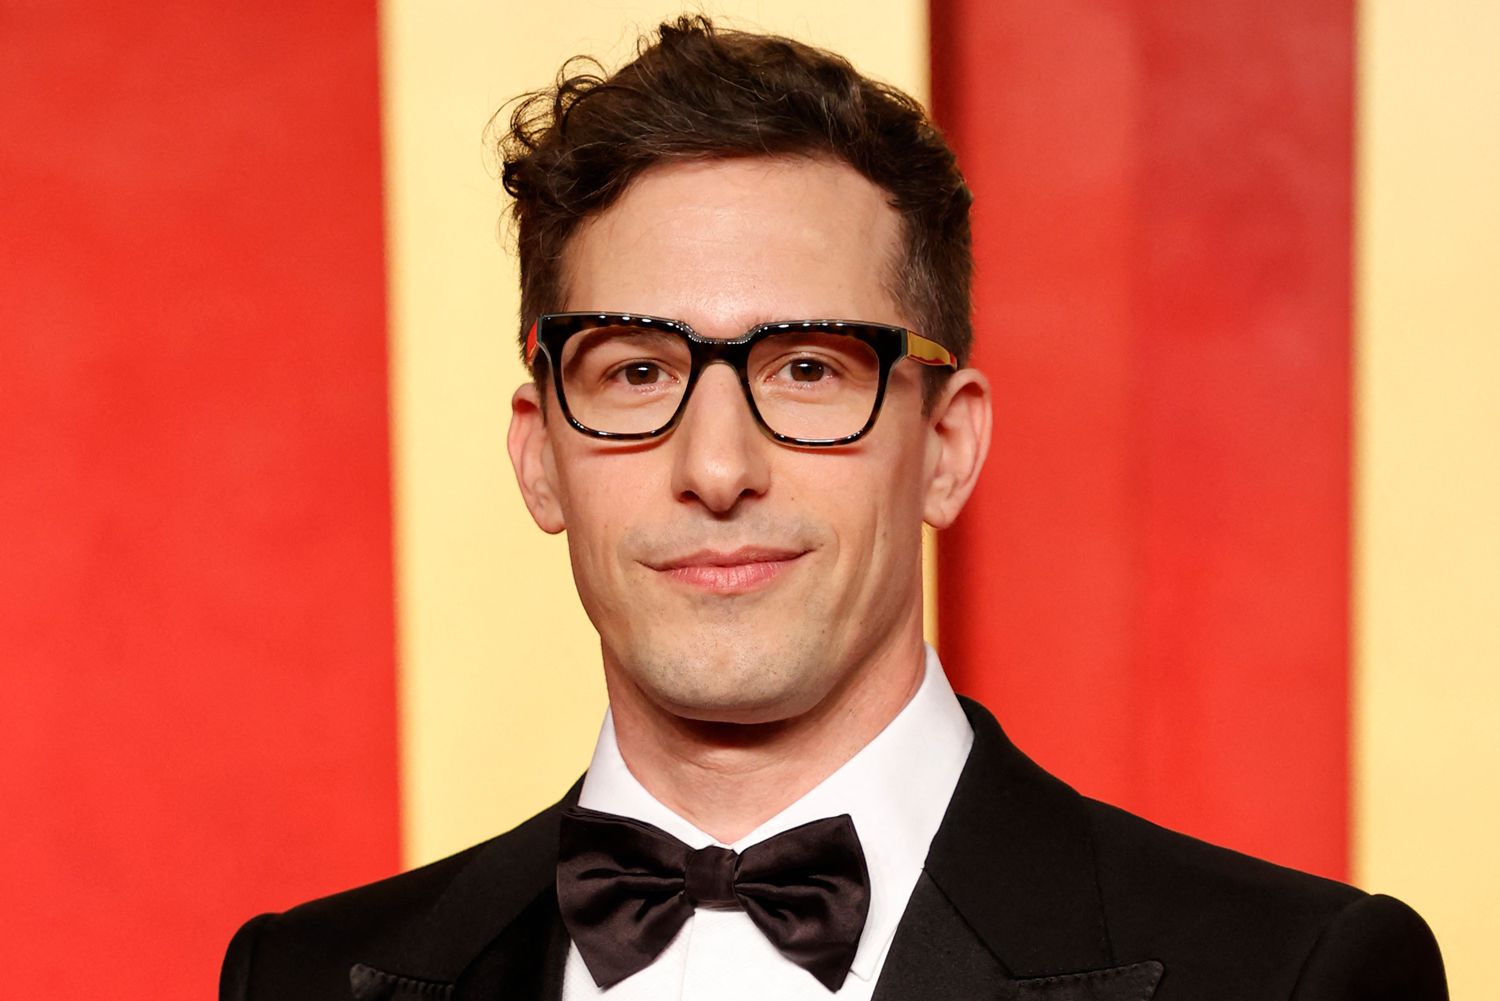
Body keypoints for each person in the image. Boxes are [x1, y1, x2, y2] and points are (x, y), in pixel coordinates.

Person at [220, 16, 1446, 1001]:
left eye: (808, 368)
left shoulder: (1291, 974)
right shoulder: (306, 977)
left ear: (947, 445)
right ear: (541, 456)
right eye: (636, 370)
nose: (716, 465)